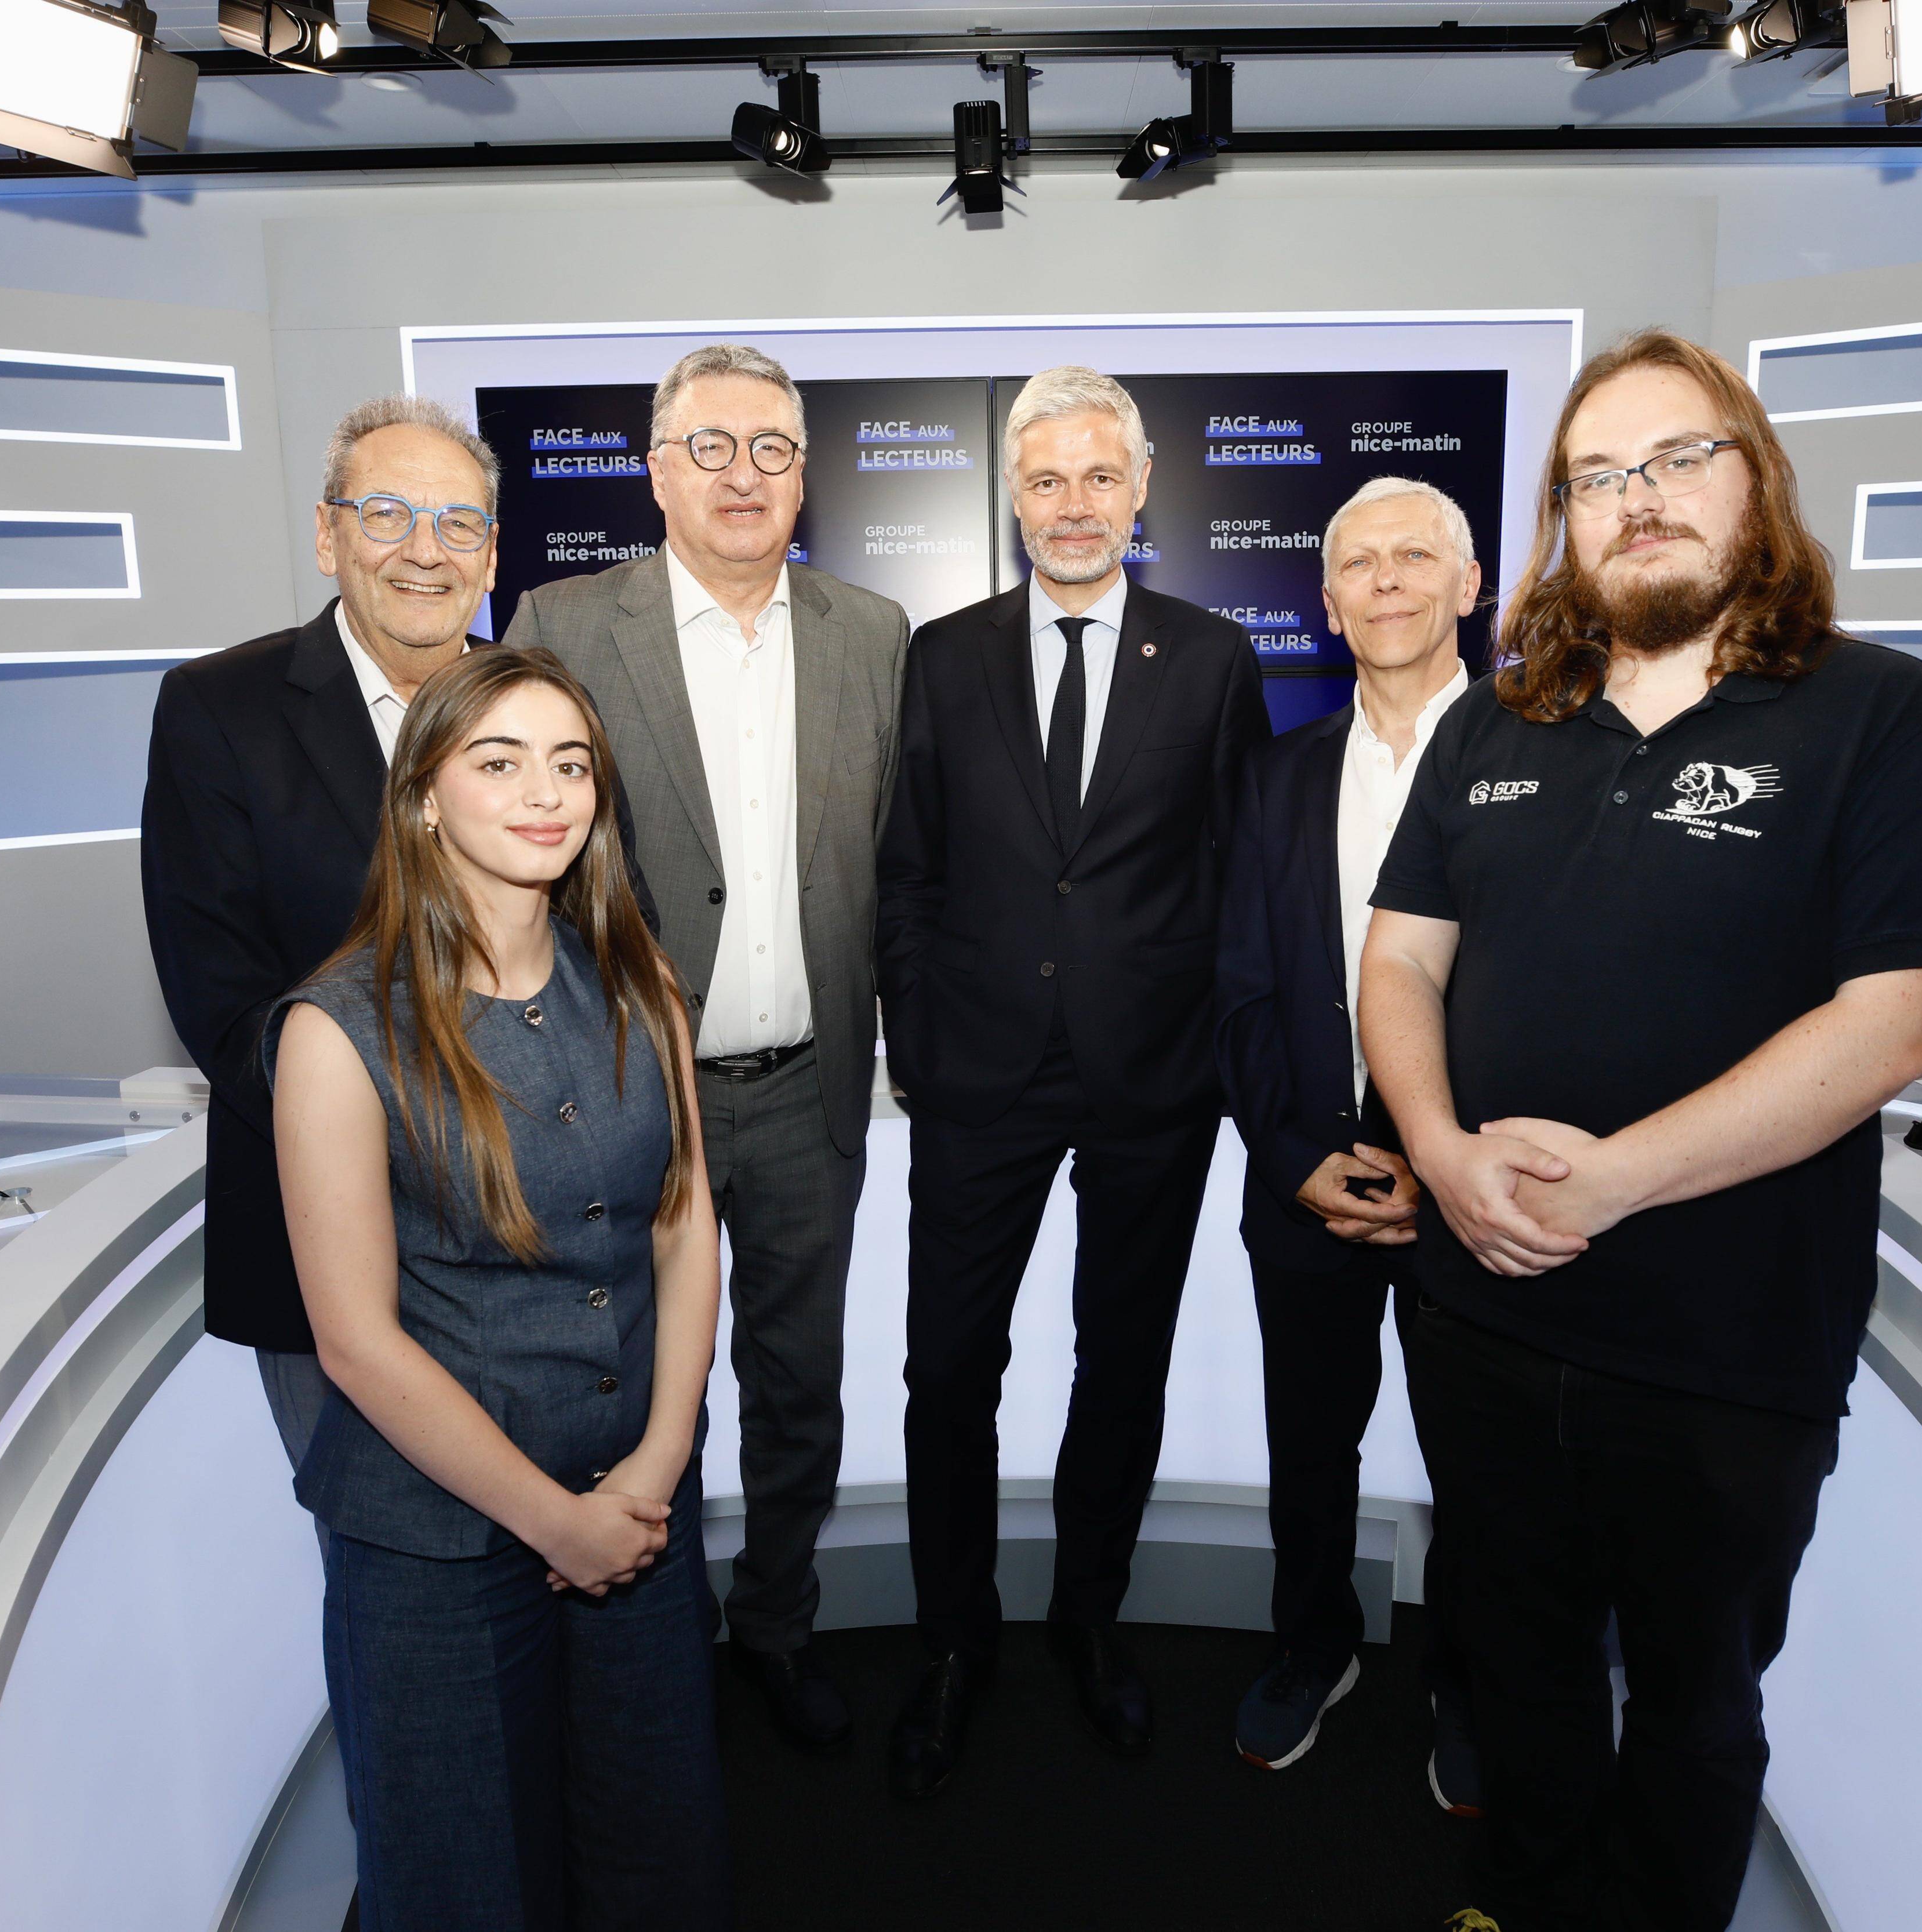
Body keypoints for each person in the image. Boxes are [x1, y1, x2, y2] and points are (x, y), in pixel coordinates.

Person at [1360, 330, 1922, 1932]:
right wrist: (1440, 1149)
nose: (1637, 498)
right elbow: (1400, 963)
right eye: (1597, 476)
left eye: (1676, 458)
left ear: (1753, 479)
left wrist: (1616, 1180)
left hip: (1724, 1350)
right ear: (1564, 519)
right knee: (1519, 1672)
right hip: (1482, 1313)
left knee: (1697, 1710)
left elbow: (1898, 1018)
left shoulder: (1879, 712)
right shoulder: (1495, 723)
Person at [269, 647, 726, 1930]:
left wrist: (656, 1467)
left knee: (655, 1856)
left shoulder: (638, 981)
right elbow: (356, 1344)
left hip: (636, 1507)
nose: (545, 794)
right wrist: (557, 1523)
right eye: (500, 761)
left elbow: (684, 1221)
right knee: (466, 1882)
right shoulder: (337, 1029)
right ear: (424, 793)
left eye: (570, 765)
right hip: (439, 1542)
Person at [506, 343, 910, 1755]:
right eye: (713, 447)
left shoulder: (874, 633)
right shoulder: (562, 622)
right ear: (658, 472)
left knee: (798, 1385)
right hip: (621, 1095)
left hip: (807, 1093)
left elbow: (899, 863)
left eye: (773, 449)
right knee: (619, 1379)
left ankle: (779, 1625)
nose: (746, 475)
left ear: (804, 477)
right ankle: (645, 1641)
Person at [876, 365, 1270, 1798]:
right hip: (977, 1076)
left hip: (1149, 1081)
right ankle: (951, 1637)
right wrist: (918, 1038)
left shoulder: (1211, 659)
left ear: (1142, 486)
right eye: (1045, 480)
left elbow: (1237, 876)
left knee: (1122, 1364)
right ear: (1011, 495)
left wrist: (1217, 1055)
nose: (1073, 505)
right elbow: (907, 869)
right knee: (945, 1371)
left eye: (1100, 476)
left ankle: (1088, 1619)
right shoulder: (943, 654)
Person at [142, 394, 503, 1468]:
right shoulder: (221, 710)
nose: (425, 552)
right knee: (382, 1550)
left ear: (490, 553)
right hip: (330, 1239)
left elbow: (604, 942)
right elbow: (224, 1000)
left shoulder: (538, 700)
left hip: (534, 1236)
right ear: (326, 534)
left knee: (557, 1533)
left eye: (458, 523)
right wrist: (419, 1148)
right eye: (387, 514)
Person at [1212, 476, 1478, 1803]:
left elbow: (1558, 1000)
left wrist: (1448, 1163)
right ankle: (1312, 1647)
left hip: (1472, 1190)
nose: (1385, 582)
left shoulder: (1541, 760)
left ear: (1468, 586)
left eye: (1413, 558)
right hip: (1307, 1178)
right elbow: (1240, 985)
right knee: (1308, 1448)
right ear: (1325, 603)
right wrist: (1287, 1157)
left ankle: (1471, 1685)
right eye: (1358, 565)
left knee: (1480, 1463)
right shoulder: (1277, 773)